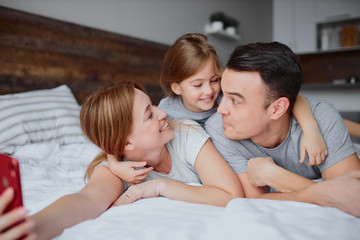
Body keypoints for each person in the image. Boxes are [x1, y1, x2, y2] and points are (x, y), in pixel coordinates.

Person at [28, 81, 243, 240]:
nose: (163, 113)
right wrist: (29, 229)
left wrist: (159, 186)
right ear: (127, 144)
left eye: (153, 106)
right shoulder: (115, 170)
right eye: (149, 115)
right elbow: (86, 201)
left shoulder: (186, 134)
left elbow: (231, 195)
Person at [114, 33, 330, 185]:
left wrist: (311, 129)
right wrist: (114, 164)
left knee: (320, 114)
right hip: (223, 161)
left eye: (214, 79)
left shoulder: (224, 94)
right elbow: (117, 137)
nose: (209, 91)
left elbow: (290, 97)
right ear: (176, 87)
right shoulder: (164, 113)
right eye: (197, 85)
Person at [204, 41, 360, 216]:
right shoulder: (220, 128)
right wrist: (321, 193)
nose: (220, 109)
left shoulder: (321, 116)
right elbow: (254, 200)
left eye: (235, 100)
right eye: (223, 95)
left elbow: (354, 197)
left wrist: (276, 177)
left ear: (277, 109)